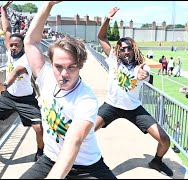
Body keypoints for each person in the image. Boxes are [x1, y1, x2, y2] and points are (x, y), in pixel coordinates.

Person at [21, 1, 116, 179]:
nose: (63, 74)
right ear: (50, 63)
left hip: (86, 167)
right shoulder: (46, 77)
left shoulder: (86, 99)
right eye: (58, 66)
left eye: (71, 67)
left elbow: (74, 142)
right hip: (50, 160)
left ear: (80, 66)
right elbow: (31, 41)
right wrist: (48, 4)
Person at [95, 7, 173, 177]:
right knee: (84, 131)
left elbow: (144, 74)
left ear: (134, 49)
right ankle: (81, 163)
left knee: (165, 140)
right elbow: (101, 37)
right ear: (118, 50)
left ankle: (157, 161)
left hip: (134, 109)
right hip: (111, 106)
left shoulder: (141, 66)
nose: (125, 51)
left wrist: (143, 74)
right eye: (122, 48)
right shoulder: (113, 59)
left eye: (128, 48)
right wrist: (107, 18)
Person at [0, 1, 44, 162]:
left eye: (16, 46)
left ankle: (40, 152)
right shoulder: (11, 50)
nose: (12, 48)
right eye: (11, 45)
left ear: (23, 47)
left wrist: (4, 85)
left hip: (26, 100)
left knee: (39, 128)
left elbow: (16, 72)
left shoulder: (26, 59)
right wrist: (3, 10)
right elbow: (7, 30)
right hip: (8, 97)